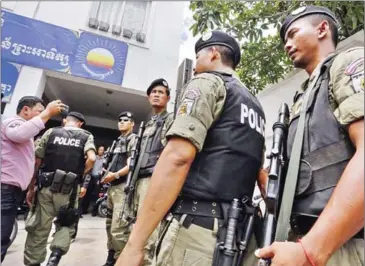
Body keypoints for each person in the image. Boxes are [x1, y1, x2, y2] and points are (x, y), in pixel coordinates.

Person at [116, 30, 266, 266]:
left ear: (213, 54)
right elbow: (260, 171)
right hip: (239, 232)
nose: (195, 66)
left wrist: (135, 244)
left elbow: (178, 157)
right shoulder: (254, 104)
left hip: (197, 230)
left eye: (197, 57)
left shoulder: (207, 83)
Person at [256, 5, 364, 266]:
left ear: (322, 29)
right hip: (303, 242)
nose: (287, 44)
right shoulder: (304, 96)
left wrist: (310, 251)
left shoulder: (349, 63)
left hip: (340, 246)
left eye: (293, 33)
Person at [24, 111, 96, 266]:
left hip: (46, 187)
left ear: (65, 121)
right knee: (66, 222)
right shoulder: (86, 136)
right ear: (80, 123)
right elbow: (92, 158)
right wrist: (81, 172)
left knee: (39, 226)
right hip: (69, 190)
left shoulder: (51, 132)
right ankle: (54, 257)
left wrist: (31, 186)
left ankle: (33, 262)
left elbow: (37, 160)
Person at [1, 96, 65, 262]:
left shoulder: (27, 132)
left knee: (3, 235)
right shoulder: (13, 123)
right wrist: (48, 113)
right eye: (39, 111)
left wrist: (29, 188)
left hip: (12, 190)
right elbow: (18, 134)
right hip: (5, 188)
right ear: (25, 110)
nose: (41, 115)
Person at [100, 111, 136, 266]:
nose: (122, 122)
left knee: (119, 228)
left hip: (123, 187)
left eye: (126, 120)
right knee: (109, 226)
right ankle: (111, 258)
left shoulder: (133, 139)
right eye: (120, 120)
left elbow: (131, 165)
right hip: (111, 188)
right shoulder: (116, 142)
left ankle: (121, 260)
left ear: (132, 124)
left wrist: (113, 175)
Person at [82, 145, 105, 215]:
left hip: (99, 177)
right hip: (91, 177)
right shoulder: (94, 158)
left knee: (96, 195)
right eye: (100, 150)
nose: (101, 151)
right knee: (87, 194)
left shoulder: (105, 159)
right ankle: (84, 209)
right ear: (98, 150)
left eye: (102, 150)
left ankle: (94, 211)